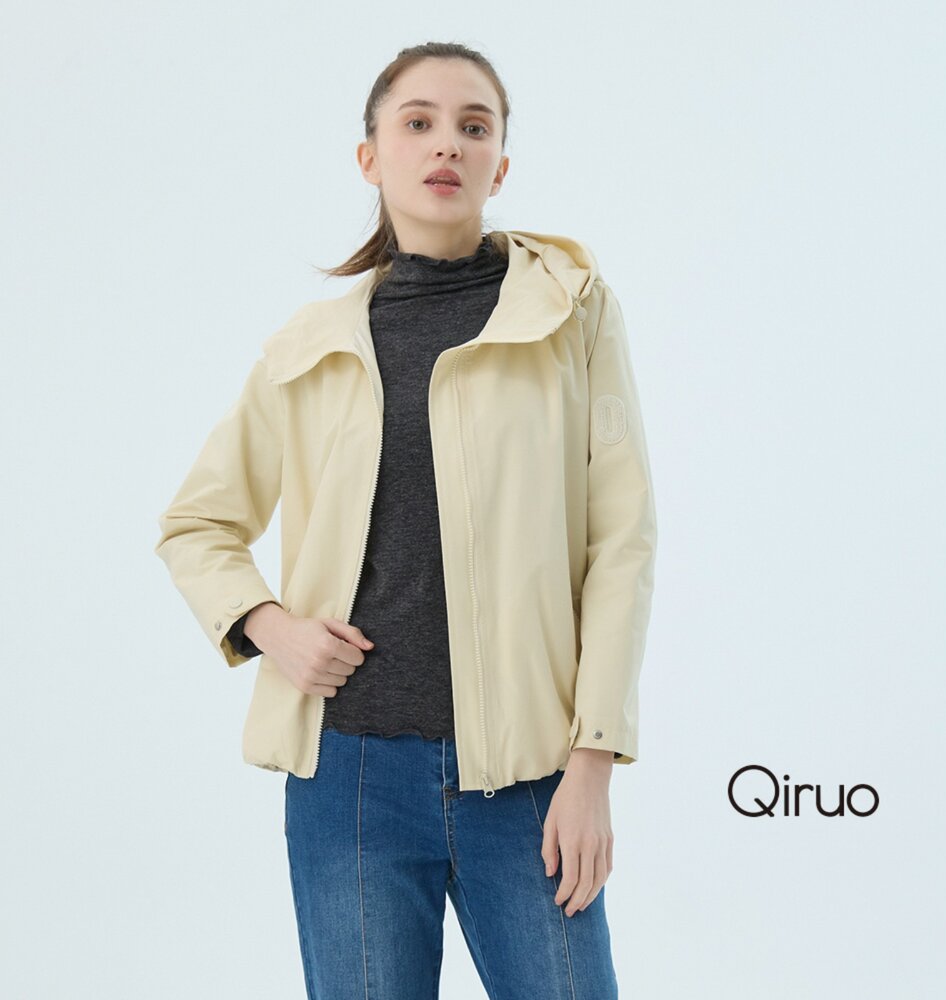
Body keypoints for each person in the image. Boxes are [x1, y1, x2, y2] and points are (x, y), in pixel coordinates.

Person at [154, 40, 656, 1000]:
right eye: (418, 122)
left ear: (500, 165)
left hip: (529, 777)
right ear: (370, 156)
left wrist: (593, 764)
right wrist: (269, 626)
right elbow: (197, 524)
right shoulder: (309, 349)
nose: (447, 144)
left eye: (475, 127)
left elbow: (620, 545)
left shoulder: (570, 313)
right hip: (347, 782)